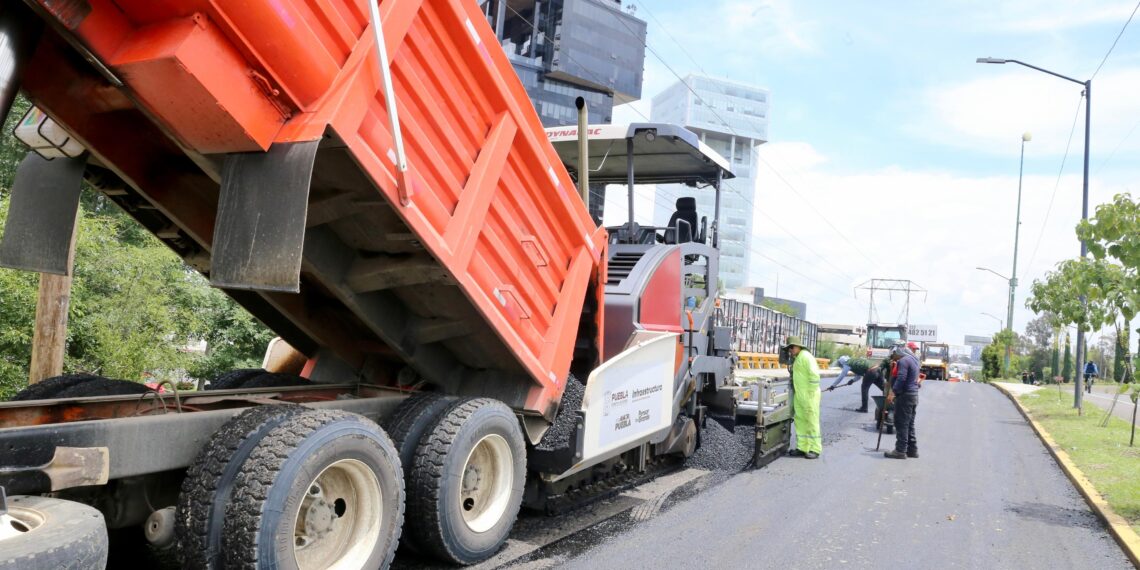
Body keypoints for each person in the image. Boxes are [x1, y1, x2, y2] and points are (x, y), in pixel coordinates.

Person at [785, 335, 822, 459]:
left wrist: (811, 393)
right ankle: (802, 447)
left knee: (811, 421)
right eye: (789, 348)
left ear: (799, 346)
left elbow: (815, 375)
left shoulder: (806, 356)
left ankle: (815, 448)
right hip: (799, 395)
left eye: (792, 347)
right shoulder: (797, 358)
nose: (790, 350)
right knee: (800, 421)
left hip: (809, 396)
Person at [884, 344, 921, 460]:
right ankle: (912, 450)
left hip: (905, 396)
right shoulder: (915, 360)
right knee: (910, 424)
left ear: (899, 352)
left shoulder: (903, 361)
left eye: (894, 355)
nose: (894, 358)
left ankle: (900, 451)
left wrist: (892, 392)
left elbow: (901, 378)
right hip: (914, 396)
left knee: (901, 423)